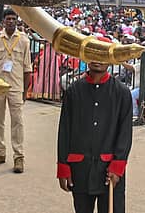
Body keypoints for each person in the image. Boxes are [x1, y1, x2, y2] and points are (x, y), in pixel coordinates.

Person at [57, 39, 132, 213]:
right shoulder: (73, 91)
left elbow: (125, 133)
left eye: (102, 54)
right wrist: (63, 166)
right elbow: (64, 131)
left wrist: (118, 165)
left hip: (109, 170)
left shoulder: (121, 92)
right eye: (93, 54)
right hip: (80, 167)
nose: (97, 59)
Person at [0, 7, 33, 173]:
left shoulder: (24, 41)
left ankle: (18, 157)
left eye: (13, 19)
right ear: (3, 22)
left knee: (17, 122)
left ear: (17, 21)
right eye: (8, 19)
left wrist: (25, 92)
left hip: (15, 87)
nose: (11, 21)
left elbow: (28, 70)